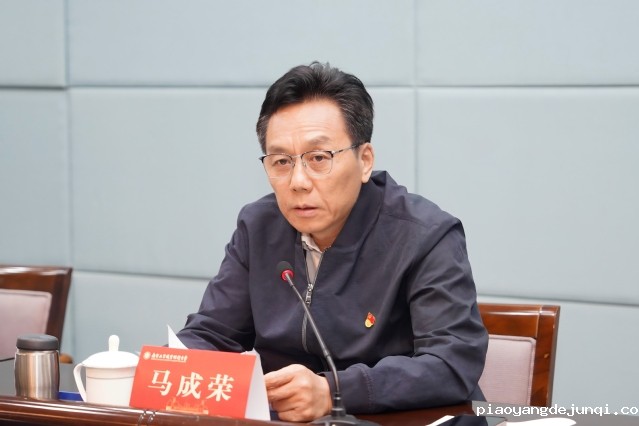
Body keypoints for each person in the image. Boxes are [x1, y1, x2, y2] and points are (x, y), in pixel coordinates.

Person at [176, 61, 488, 422]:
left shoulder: (424, 235)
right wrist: (169, 369)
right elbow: (212, 333)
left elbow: (451, 363)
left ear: (365, 160)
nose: (298, 182)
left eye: (318, 158)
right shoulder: (258, 227)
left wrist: (333, 391)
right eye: (281, 161)